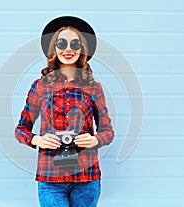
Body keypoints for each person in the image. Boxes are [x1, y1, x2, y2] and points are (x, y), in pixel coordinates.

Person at [15, 16, 114, 207]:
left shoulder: (94, 87)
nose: (68, 49)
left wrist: (96, 140)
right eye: (62, 43)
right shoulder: (39, 87)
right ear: (54, 48)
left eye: (75, 44)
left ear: (82, 49)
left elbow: (107, 132)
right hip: (50, 178)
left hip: (87, 178)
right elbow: (21, 129)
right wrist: (38, 139)